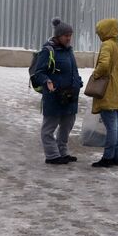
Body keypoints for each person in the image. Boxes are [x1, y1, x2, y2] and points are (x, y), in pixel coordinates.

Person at [30, 18, 83, 166]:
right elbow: (39, 72)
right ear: (58, 36)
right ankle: (52, 155)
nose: (69, 38)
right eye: (66, 35)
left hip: (69, 95)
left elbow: (74, 70)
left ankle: (62, 152)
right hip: (54, 96)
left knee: (67, 125)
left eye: (70, 35)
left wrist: (78, 82)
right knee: (49, 128)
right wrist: (47, 81)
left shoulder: (69, 51)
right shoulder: (48, 51)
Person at [89, 17, 118, 168]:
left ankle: (108, 157)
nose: (98, 35)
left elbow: (104, 65)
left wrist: (95, 75)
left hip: (108, 91)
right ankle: (117, 156)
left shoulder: (106, 45)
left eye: (99, 32)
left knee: (111, 127)